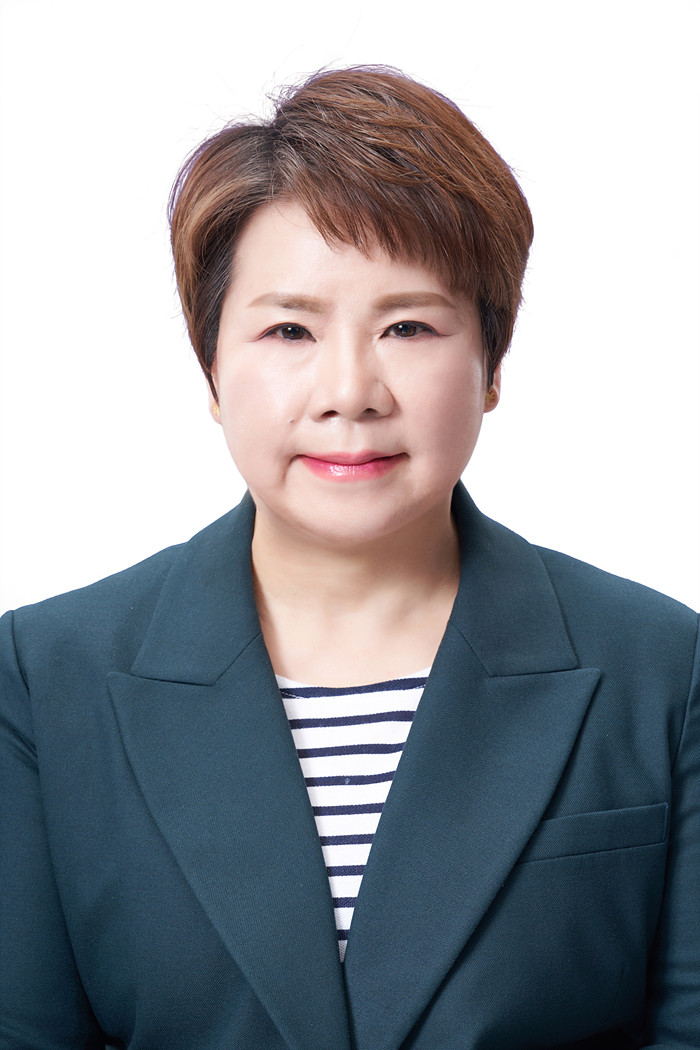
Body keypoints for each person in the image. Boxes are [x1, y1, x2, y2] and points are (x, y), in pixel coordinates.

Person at [0, 66, 698, 1050]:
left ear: (491, 364)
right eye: (289, 329)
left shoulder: (662, 668)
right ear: (211, 368)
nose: (349, 391)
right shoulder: (44, 679)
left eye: (408, 327)